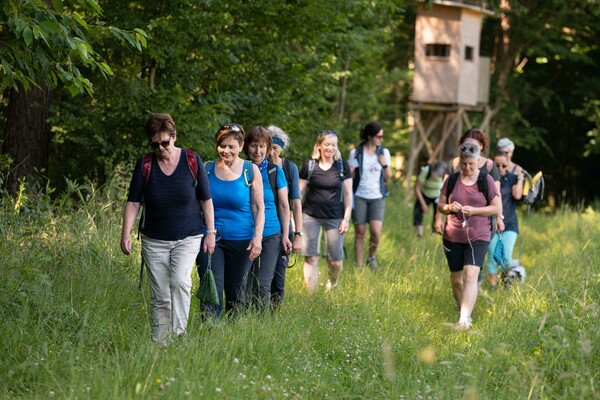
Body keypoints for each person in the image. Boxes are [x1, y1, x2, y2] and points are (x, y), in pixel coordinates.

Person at [120, 113, 215, 345]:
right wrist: (126, 234)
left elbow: (206, 198)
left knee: (180, 281)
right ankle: (160, 342)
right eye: (155, 144)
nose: (161, 147)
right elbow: (133, 202)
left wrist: (210, 231)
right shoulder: (145, 164)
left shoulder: (191, 160)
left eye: (165, 142)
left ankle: (178, 335)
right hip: (154, 239)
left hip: (188, 236)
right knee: (160, 294)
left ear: (174, 137)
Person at [196, 123, 264, 319]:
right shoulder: (207, 169)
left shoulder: (250, 170)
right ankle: (210, 332)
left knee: (236, 292)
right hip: (210, 239)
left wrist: (257, 238)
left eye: (231, 146)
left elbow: (259, 209)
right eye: (222, 145)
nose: (226, 151)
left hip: (241, 239)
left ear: (241, 146)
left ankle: (233, 336)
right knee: (211, 287)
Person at [437, 143, 501, 330]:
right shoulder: (452, 180)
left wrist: (474, 211)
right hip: (453, 235)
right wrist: (448, 208)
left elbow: (496, 207)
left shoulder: (485, 180)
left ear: (478, 161)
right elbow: (440, 204)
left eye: (471, 164)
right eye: (464, 164)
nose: (467, 168)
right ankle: (463, 310)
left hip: (478, 235)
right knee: (457, 279)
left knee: (471, 274)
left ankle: (464, 319)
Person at [244, 126, 292, 313]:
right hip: (245, 233)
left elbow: (284, 205)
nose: (258, 151)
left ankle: (259, 324)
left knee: (263, 283)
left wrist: (286, 235)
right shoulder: (240, 169)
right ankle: (240, 321)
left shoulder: (274, 171)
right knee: (243, 281)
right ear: (246, 147)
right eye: (254, 146)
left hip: (271, 233)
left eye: (262, 146)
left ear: (268, 147)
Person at [299, 130, 352, 293]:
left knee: (334, 260)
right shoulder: (310, 165)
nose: (330, 148)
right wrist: (295, 217)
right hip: (310, 216)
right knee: (311, 257)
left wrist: (346, 218)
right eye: (327, 144)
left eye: (333, 145)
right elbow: (300, 192)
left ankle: (333, 284)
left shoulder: (342, 166)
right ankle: (310, 296)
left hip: (335, 217)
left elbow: (349, 193)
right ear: (319, 146)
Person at [435, 128, 503, 234]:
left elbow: (497, 194)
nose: (469, 148)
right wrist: (438, 218)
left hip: (484, 222)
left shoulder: (489, 165)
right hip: (456, 223)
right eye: (466, 144)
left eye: (474, 145)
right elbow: (444, 194)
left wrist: (499, 217)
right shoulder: (454, 163)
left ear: (481, 145)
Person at [267, 125, 303, 309]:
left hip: (283, 225)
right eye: (269, 147)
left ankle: (275, 308)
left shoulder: (290, 168)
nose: (271, 152)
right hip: (261, 225)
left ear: (282, 149)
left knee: (279, 272)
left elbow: (296, 202)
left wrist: (298, 233)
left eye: (276, 148)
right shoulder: (257, 167)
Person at [348, 122, 391, 269]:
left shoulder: (384, 153)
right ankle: (359, 266)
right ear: (369, 136)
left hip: (377, 196)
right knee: (360, 232)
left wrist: (385, 165)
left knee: (376, 231)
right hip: (359, 195)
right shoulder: (356, 153)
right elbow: (350, 178)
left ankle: (371, 257)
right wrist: (351, 171)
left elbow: (387, 178)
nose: (381, 139)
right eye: (379, 136)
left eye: (382, 136)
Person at [485, 151, 524, 288]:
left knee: (507, 256)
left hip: (510, 223)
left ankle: (505, 284)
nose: (501, 169)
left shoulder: (512, 178)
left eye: (503, 165)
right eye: (497, 165)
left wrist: (520, 179)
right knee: (492, 256)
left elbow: (517, 196)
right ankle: (493, 289)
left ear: (508, 165)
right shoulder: (487, 178)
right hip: (491, 223)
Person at [413, 161, 446, 237]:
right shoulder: (426, 171)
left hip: (437, 195)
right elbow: (417, 188)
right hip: (425, 193)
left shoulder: (445, 174)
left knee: (437, 213)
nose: (436, 178)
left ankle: (435, 232)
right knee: (418, 211)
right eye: (435, 176)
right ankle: (419, 233)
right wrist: (423, 204)